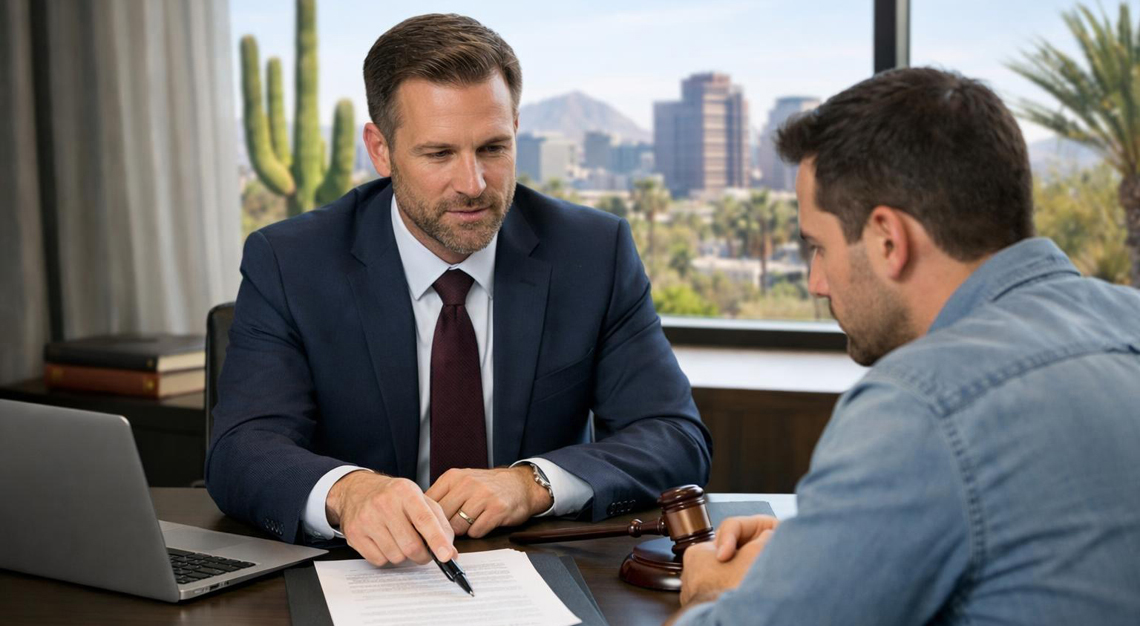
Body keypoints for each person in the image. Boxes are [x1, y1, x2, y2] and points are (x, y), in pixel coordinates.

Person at [206, 13, 711, 568]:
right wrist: (348, 493)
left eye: (493, 148)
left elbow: (674, 436)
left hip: (538, 568)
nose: (473, 184)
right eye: (439, 153)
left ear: (516, 127)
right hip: (357, 573)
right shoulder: (292, 261)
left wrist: (534, 483)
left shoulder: (593, 251)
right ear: (380, 149)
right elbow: (240, 450)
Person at [671, 67, 1140, 625]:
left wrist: (713, 591)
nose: (817, 282)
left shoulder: (920, 406)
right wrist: (818, 551)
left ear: (889, 240)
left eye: (818, 247)